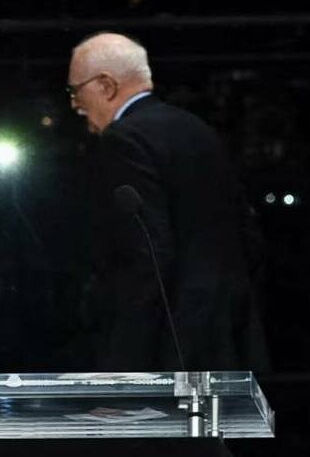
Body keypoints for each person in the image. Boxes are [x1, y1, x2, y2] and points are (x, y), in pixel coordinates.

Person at [68, 32, 268, 372]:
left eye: (75, 91)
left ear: (105, 85)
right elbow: (248, 235)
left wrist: (122, 374)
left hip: (170, 351)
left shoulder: (123, 140)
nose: (74, 104)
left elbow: (146, 259)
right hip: (231, 339)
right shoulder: (196, 128)